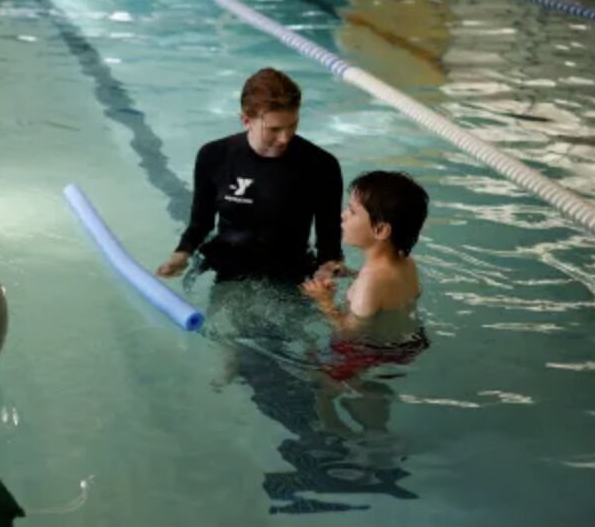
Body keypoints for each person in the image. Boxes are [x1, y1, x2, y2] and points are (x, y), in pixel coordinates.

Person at [156, 68, 343, 285]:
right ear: (246, 120)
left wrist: (328, 269)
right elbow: (201, 223)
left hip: (288, 274)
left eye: (292, 125)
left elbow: (329, 241)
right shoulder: (214, 156)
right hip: (226, 267)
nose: (285, 138)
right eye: (273, 129)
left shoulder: (321, 165)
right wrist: (180, 256)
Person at [301, 170, 429, 344]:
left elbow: (348, 333)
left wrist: (324, 301)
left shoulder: (370, 281)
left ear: (380, 230)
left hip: (369, 352)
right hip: (410, 340)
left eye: (352, 212)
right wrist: (353, 274)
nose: (343, 215)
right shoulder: (407, 263)